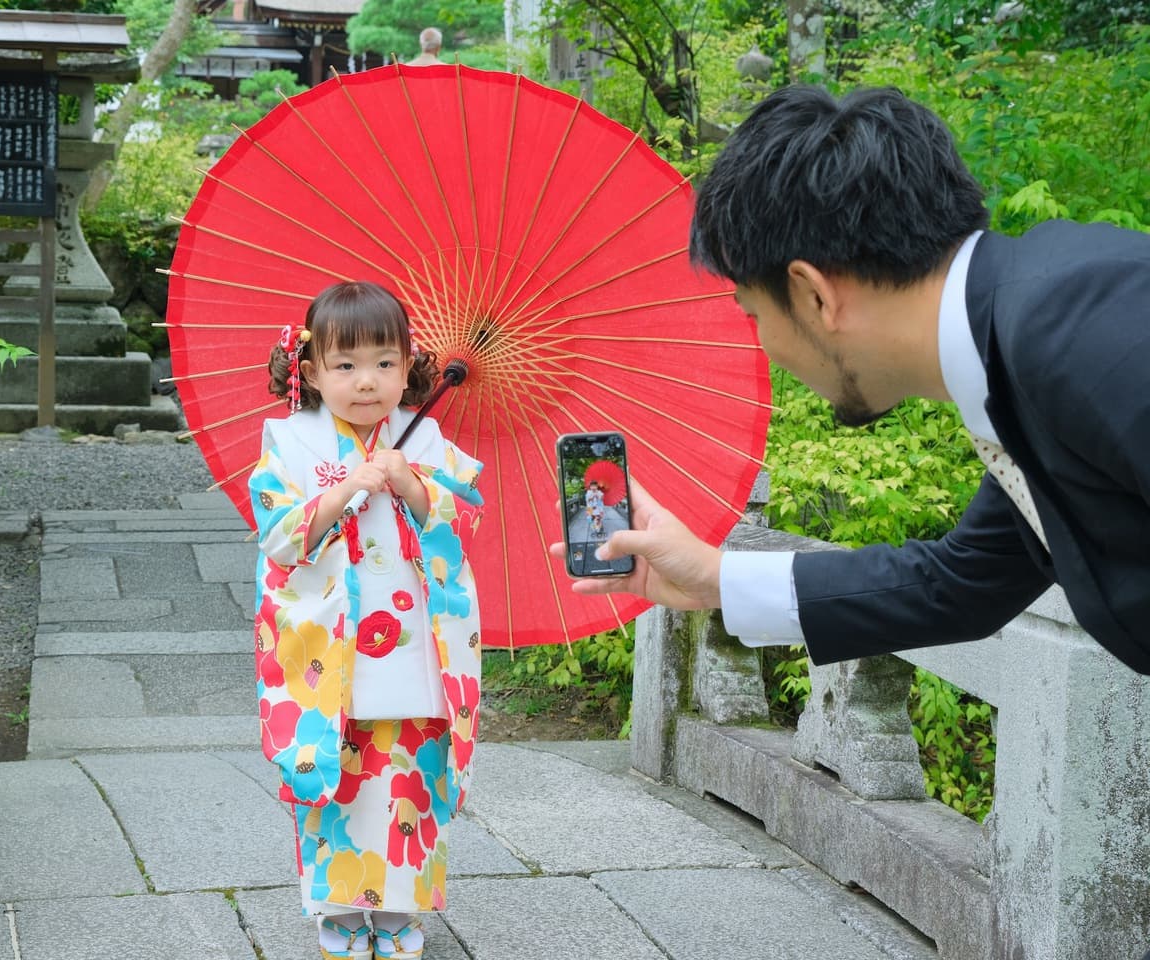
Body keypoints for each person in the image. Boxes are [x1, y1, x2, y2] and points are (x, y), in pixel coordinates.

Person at [553, 84, 1150, 681]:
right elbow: (962, 582)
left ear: (813, 294)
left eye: (754, 314)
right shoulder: (1017, 348)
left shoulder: (1080, 330)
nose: (763, 346)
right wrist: (714, 579)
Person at [250, 280, 485, 960]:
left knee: (407, 773)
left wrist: (413, 484)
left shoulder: (428, 438)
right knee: (339, 775)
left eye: (384, 363)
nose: (365, 381)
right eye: (344, 364)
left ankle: (402, 908)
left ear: (408, 366)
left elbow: (465, 520)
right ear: (310, 369)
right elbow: (277, 536)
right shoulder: (290, 440)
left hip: (412, 645)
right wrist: (345, 488)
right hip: (330, 647)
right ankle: (341, 909)